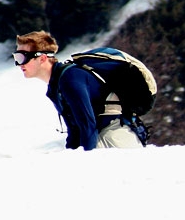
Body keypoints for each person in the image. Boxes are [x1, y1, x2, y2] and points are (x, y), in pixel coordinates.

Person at [14, 30, 144, 150]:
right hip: (102, 136)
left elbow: (87, 125)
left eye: (22, 58)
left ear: (42, 58)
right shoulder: (55, 86)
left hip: (115, 137)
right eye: (16, 58)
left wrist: (83, 161)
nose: (19, 64)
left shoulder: (70, 79)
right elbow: (74, 130)